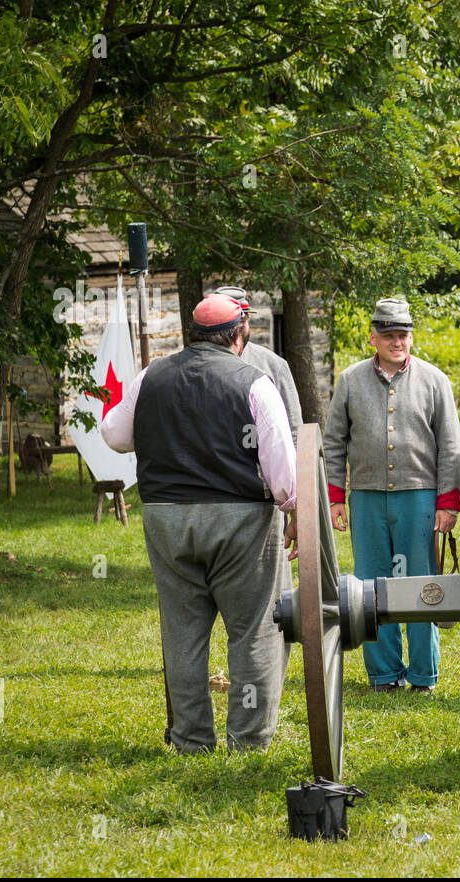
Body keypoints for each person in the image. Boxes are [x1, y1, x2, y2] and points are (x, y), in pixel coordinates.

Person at [101, 293, 298, 753]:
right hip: (241, 524)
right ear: (241, 332)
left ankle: (191, 740)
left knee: (183, 633)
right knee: (253, 630)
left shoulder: (152, 377)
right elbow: (283, 468)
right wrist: (292, 512)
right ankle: (247, 741)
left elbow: (114, 435)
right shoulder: (254, 380)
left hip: (167, 521)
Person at [322, 298, 460, 695]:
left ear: (411, 337)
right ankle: (384, 674)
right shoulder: (350, 380)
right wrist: (335, 497)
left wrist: (447, 503)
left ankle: (422, 675)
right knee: (369, 586)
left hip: (419, 496)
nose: (396, 342)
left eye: (402, 335)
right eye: (388, 335)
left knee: (421, 586)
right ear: (373, 338)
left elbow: (451, 446)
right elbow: (333, 443)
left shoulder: (435, 380)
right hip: (365, 496)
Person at [215, 286, 302, 444]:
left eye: (243, 321)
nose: (238, 329)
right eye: (232, 323)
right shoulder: (198, 368)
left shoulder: (274, 366)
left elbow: (294, 430)